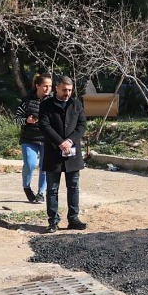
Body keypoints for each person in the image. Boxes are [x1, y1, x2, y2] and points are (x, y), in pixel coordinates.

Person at [40, 75, 87, 233]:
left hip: (72, 154)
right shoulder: (46, 105)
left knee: (73, 187)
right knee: (52, 189)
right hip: (54, 153)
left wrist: (70, 141)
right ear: (57, 89)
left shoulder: (76, 104)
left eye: (70, 90)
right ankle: (53, 221)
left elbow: (81, 125)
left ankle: (73, 219)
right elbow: (45, 126)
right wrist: (60, 142)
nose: (67, 93)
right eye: (64, 90)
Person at [17, 74, 53, 203]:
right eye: (45, 86)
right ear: (37, 86)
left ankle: (41, 193)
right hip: (29, 138)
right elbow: (16, 120)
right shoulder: (27, 101)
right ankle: (26, 187)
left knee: (44, 167)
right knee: (30, 164)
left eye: (50, 86)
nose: (48, 89)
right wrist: (26, 121)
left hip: (47, 139)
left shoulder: (53, 101)